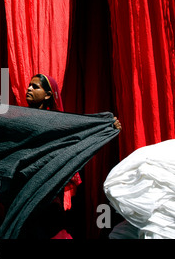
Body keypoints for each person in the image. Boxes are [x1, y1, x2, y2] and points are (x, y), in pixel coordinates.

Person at [22, 73, 122, 239]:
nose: (29, 88)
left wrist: (107, 127)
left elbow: (83, 135)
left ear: (47, 95)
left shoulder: (58, 123)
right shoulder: (20, 119)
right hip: (25, 190)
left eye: (35, 86)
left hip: (49, 192)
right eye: (29, 85)